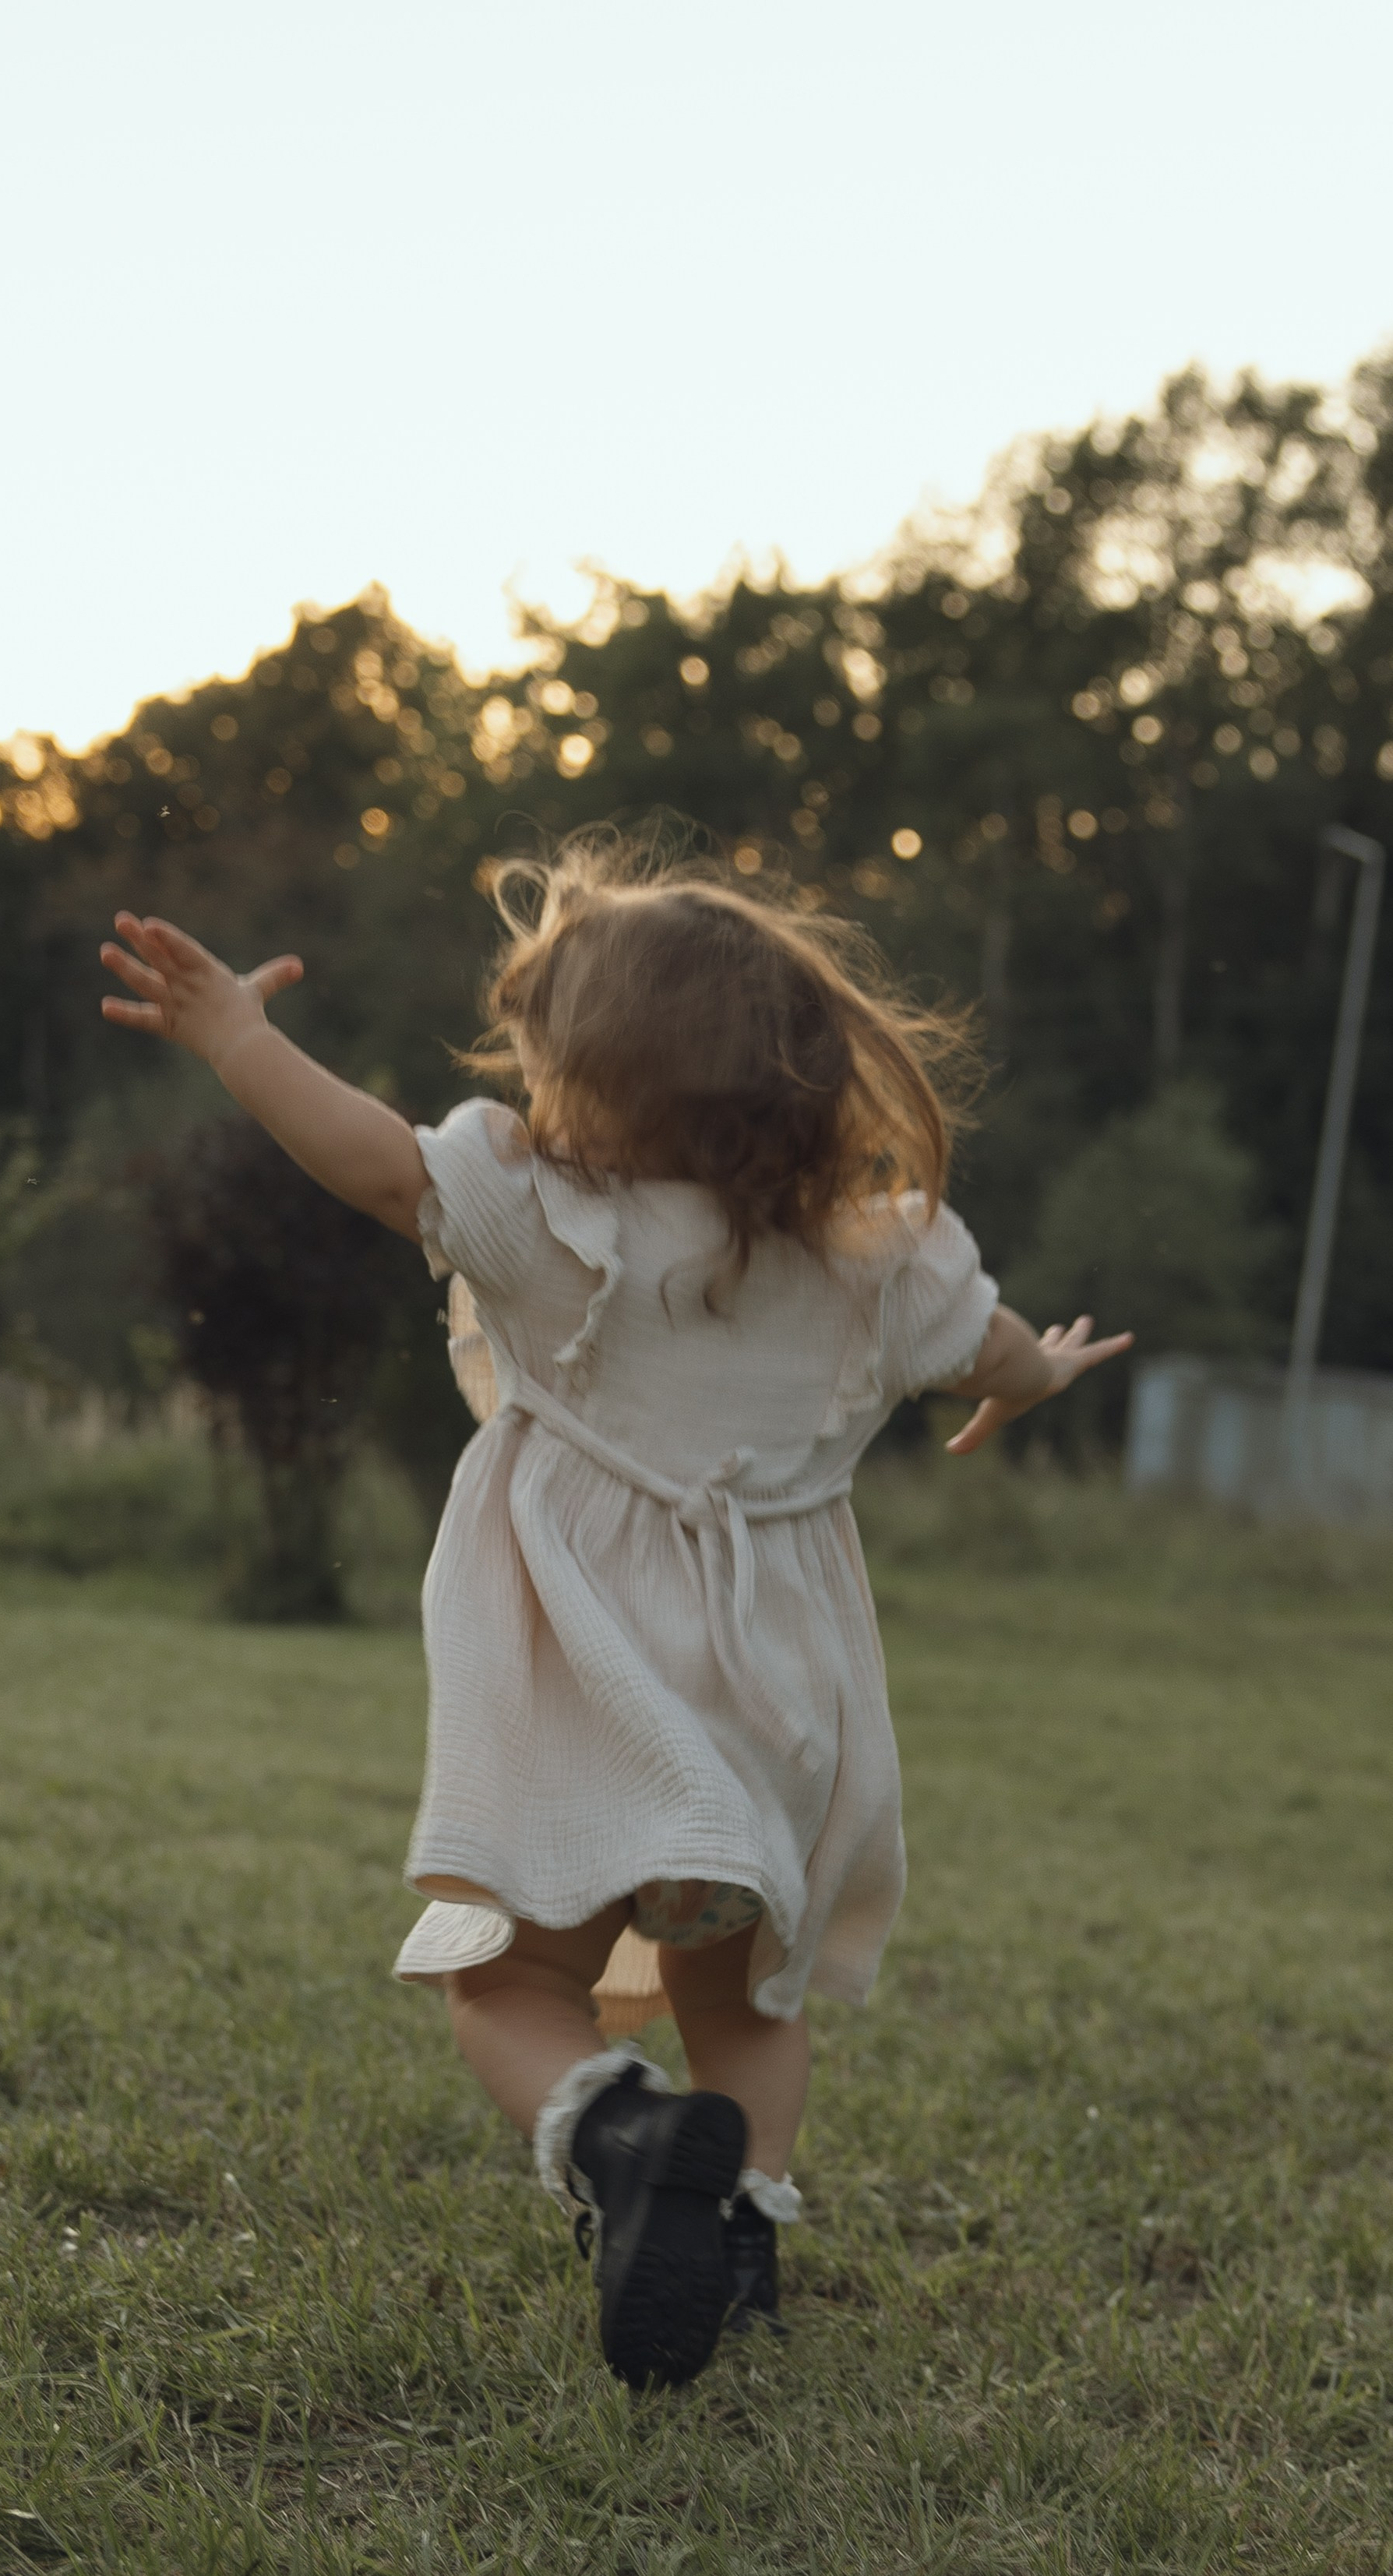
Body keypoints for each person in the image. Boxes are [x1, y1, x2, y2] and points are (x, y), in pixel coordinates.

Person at [99, 839, 1127, 2391]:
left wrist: (237, 1034)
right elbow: (990, 1351)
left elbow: (376, 1162)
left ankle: (621, 2133)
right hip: (779, 1715)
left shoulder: (542, 1226)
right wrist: (1035, 1374)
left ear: (588, 1072)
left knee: (507, 1983)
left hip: (594, 1702)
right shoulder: (870, 1260)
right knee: (742, 1996)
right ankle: (743, 2238)